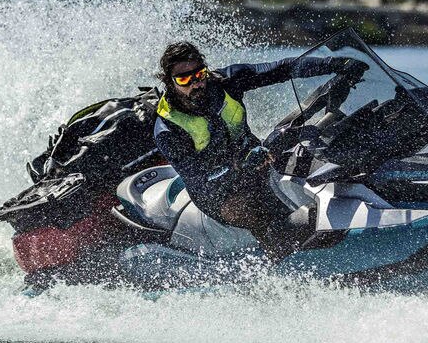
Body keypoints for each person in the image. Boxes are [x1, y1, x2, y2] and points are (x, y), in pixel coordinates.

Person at [152, 41, 366, 256]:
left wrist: (336, 64)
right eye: (184, 79)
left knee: (311, 157)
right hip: (218, 192)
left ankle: (359, 206)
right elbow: (199, 178)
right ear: (170, 83)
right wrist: (239, 166)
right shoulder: (167, 129)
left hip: (257, 159)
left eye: (199, 74)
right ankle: (277, 260)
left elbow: (282, 68)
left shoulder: (226, 82)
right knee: (255, 210)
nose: (195, 84)